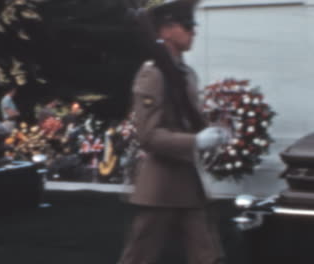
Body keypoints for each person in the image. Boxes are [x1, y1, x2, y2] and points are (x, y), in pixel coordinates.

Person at [118, 1, 230, 263]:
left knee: (207, 253)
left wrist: (212, 133)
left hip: (187, 180)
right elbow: (148, 135)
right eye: (188, 26)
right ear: (166, 30)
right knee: (140, 255)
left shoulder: (186, 74)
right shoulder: (153, 75)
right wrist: (196, 141)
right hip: (161, 185)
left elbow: (188, 119)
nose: (194, 32)